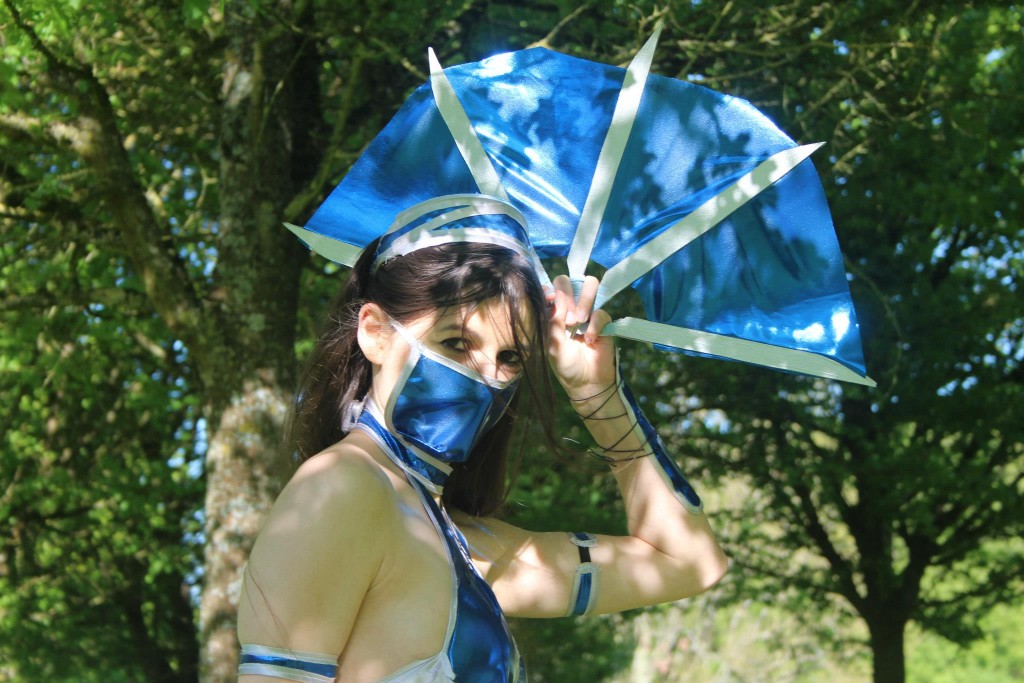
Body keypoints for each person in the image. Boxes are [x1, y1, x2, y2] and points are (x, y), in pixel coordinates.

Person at [235, 194, 728, 682]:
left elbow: (689, 563)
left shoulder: (465, 543)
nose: (486, 375)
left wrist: (598, 393)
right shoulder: (341, 489)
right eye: (456, 342)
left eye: (510, 357)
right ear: (376, 332)